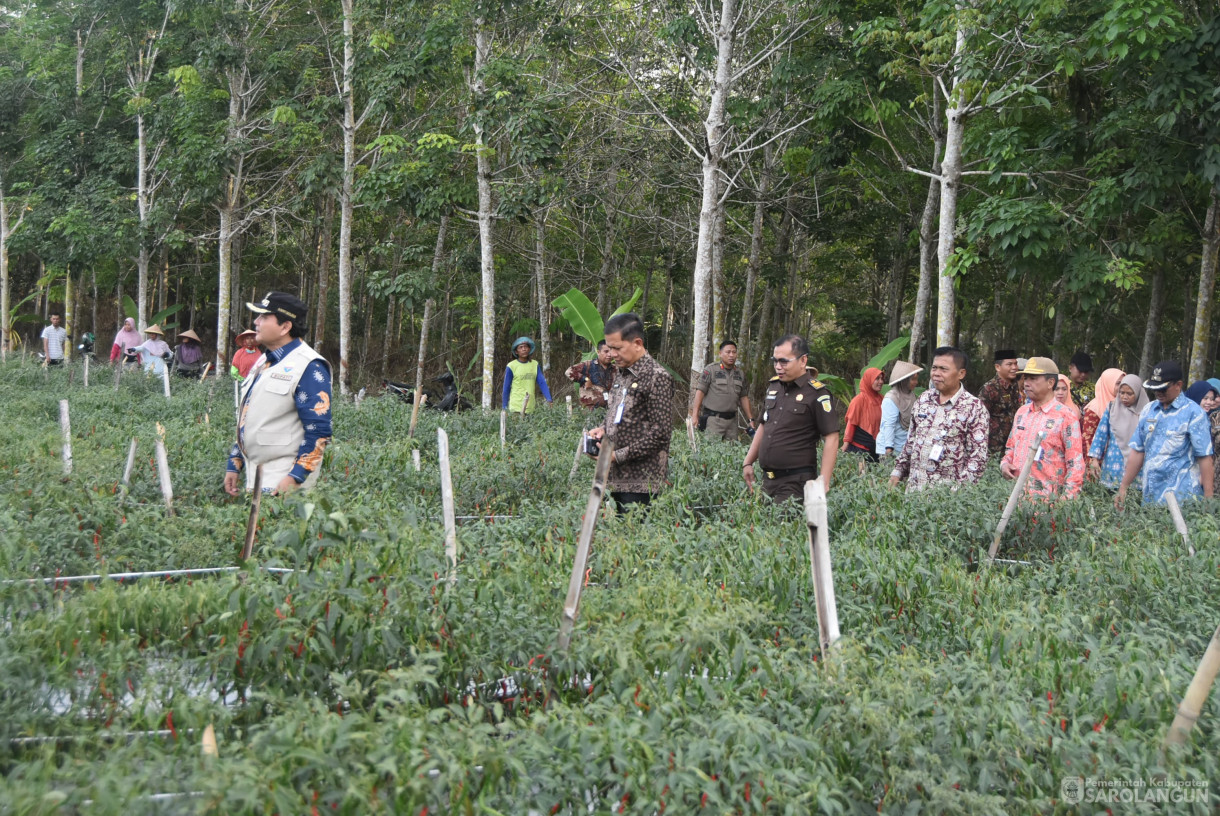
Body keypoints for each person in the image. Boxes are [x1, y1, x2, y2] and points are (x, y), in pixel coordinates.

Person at [224, 292, 332, 496]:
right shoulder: (264, 361)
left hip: (284, 481)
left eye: (264, 317)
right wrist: (234, 462)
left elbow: (318, 431)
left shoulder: (309, 366)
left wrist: (295, 478)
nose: (256, 322)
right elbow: (250, 416)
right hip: (256, 475)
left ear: (285, 326)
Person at [585, 313, 674, 513]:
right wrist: (602, 430)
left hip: (642, 483)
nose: (612, 354)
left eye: (617, 348)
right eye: (609, 349)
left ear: (637, 343)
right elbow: (620, 417)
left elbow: (661, 433)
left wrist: (618, 455)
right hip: (613, 478)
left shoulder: (657, 377)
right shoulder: (621, 374)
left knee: (635, 539)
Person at [742, 335, 839, 503]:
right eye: (775, 361)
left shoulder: (817, 393)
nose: (778, 367)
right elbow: (764, 427)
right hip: (767, 481)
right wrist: (748, 462)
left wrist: (824, 481)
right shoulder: (774, 388)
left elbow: (832, 436)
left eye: (784, 362)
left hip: (795, 482)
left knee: (782, 525)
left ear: (803, 361)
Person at [1115, 361, 1214, 509]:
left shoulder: (1194, 413)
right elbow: (1138, 451)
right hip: (1150, 498)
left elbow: (1205, 457)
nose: (1159, 393)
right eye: (1155, 389)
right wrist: (1123, 487)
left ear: (1178, 385)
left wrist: (1208, 498)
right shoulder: (1148, 410)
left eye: (1163, 388)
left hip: (1183, 499)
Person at [888, 347, 988, 492]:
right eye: (934, 368)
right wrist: (897, 473)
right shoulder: (923, 399)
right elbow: (911, 441)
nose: (936, 374)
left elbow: (977, 459)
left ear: (961, 373)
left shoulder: (974, 408)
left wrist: (957, 494)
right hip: (913, 494)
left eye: (943, 369)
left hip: (945, 499)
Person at [1001, 357, 1086, 501]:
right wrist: (1005, 464)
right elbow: (1010, 448)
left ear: (1050, 383)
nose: (1027, 383)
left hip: (1047, 506)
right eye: (1026, 378)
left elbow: (1075, 464)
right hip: (1015, 502)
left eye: (1033, 379)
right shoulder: (1022, 413)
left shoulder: (1066, 416)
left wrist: (1065, 503)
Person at [1087, 373, 1148, 489]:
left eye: (1129, 394)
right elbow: (1101, 433)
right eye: (1122, 392)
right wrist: (1094, 459)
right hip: (1113, 467)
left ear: (1138, 392)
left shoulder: (1147, 412)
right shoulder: (1112, 408)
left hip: (1137, 469)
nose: (1124, 397)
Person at [691, 340, 755, 441]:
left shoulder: (740, 374)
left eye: (734, 352)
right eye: (728, 352)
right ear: (720, 354)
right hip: (713, 421)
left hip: (732, 422)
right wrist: (695, 415)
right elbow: (700, 392)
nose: (731, 355)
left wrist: (750, 419)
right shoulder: (711, 370)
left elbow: (744, 398)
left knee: (731, 452)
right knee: (711, 452)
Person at [978, 349, 1022, 456]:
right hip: (993, 450)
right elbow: (979, 419)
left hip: (1013, 447)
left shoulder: (1015, 386)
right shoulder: (989, 388)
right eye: (1009, 364)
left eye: (1015, 364)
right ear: (998, 367)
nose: (1014, 368)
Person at [875, 361, 920, 458]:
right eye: (913, 379)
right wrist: (889, 449)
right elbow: (889, 425)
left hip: (904, 447)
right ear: (905, 380)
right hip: (890, 449)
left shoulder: (912, 395)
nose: (916, 382)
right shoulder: (891, 398)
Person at [840, 367, 883, 462]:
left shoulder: (882, 399)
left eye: (882, 378)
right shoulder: (859, 400)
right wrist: (845, 445)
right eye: (877, 379)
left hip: (877, 449)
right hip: (860, 450)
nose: (881, 381)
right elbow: (851, 423)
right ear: (869, 380)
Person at [501, 336, 552, 414]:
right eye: (520, 347)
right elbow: (506, 387)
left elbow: (542, 382)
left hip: (530, 407)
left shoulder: (535, 364)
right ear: (516, 352)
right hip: (516, 407)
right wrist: (504, 407)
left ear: (529, 349)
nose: (524, 349)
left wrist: (549, 399)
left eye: (526, 347)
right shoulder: (511, 366)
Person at [1080, 368, 1122, 454]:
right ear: (1108, 384)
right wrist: (1092, 463)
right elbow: (1088, 440)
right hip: (1098, 461)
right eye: (1118, 383)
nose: (1122, 387)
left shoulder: (1123, 405)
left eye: (1124, 383)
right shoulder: (1094, 408)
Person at [565, 340, 616, 408]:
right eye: (606, 352)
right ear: (598, 352)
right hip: (591, 411)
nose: (609, 355)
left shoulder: (615, 369)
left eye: (611, 351)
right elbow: (569, 371)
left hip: (610, 409)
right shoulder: (588, 365)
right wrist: (585, 379)